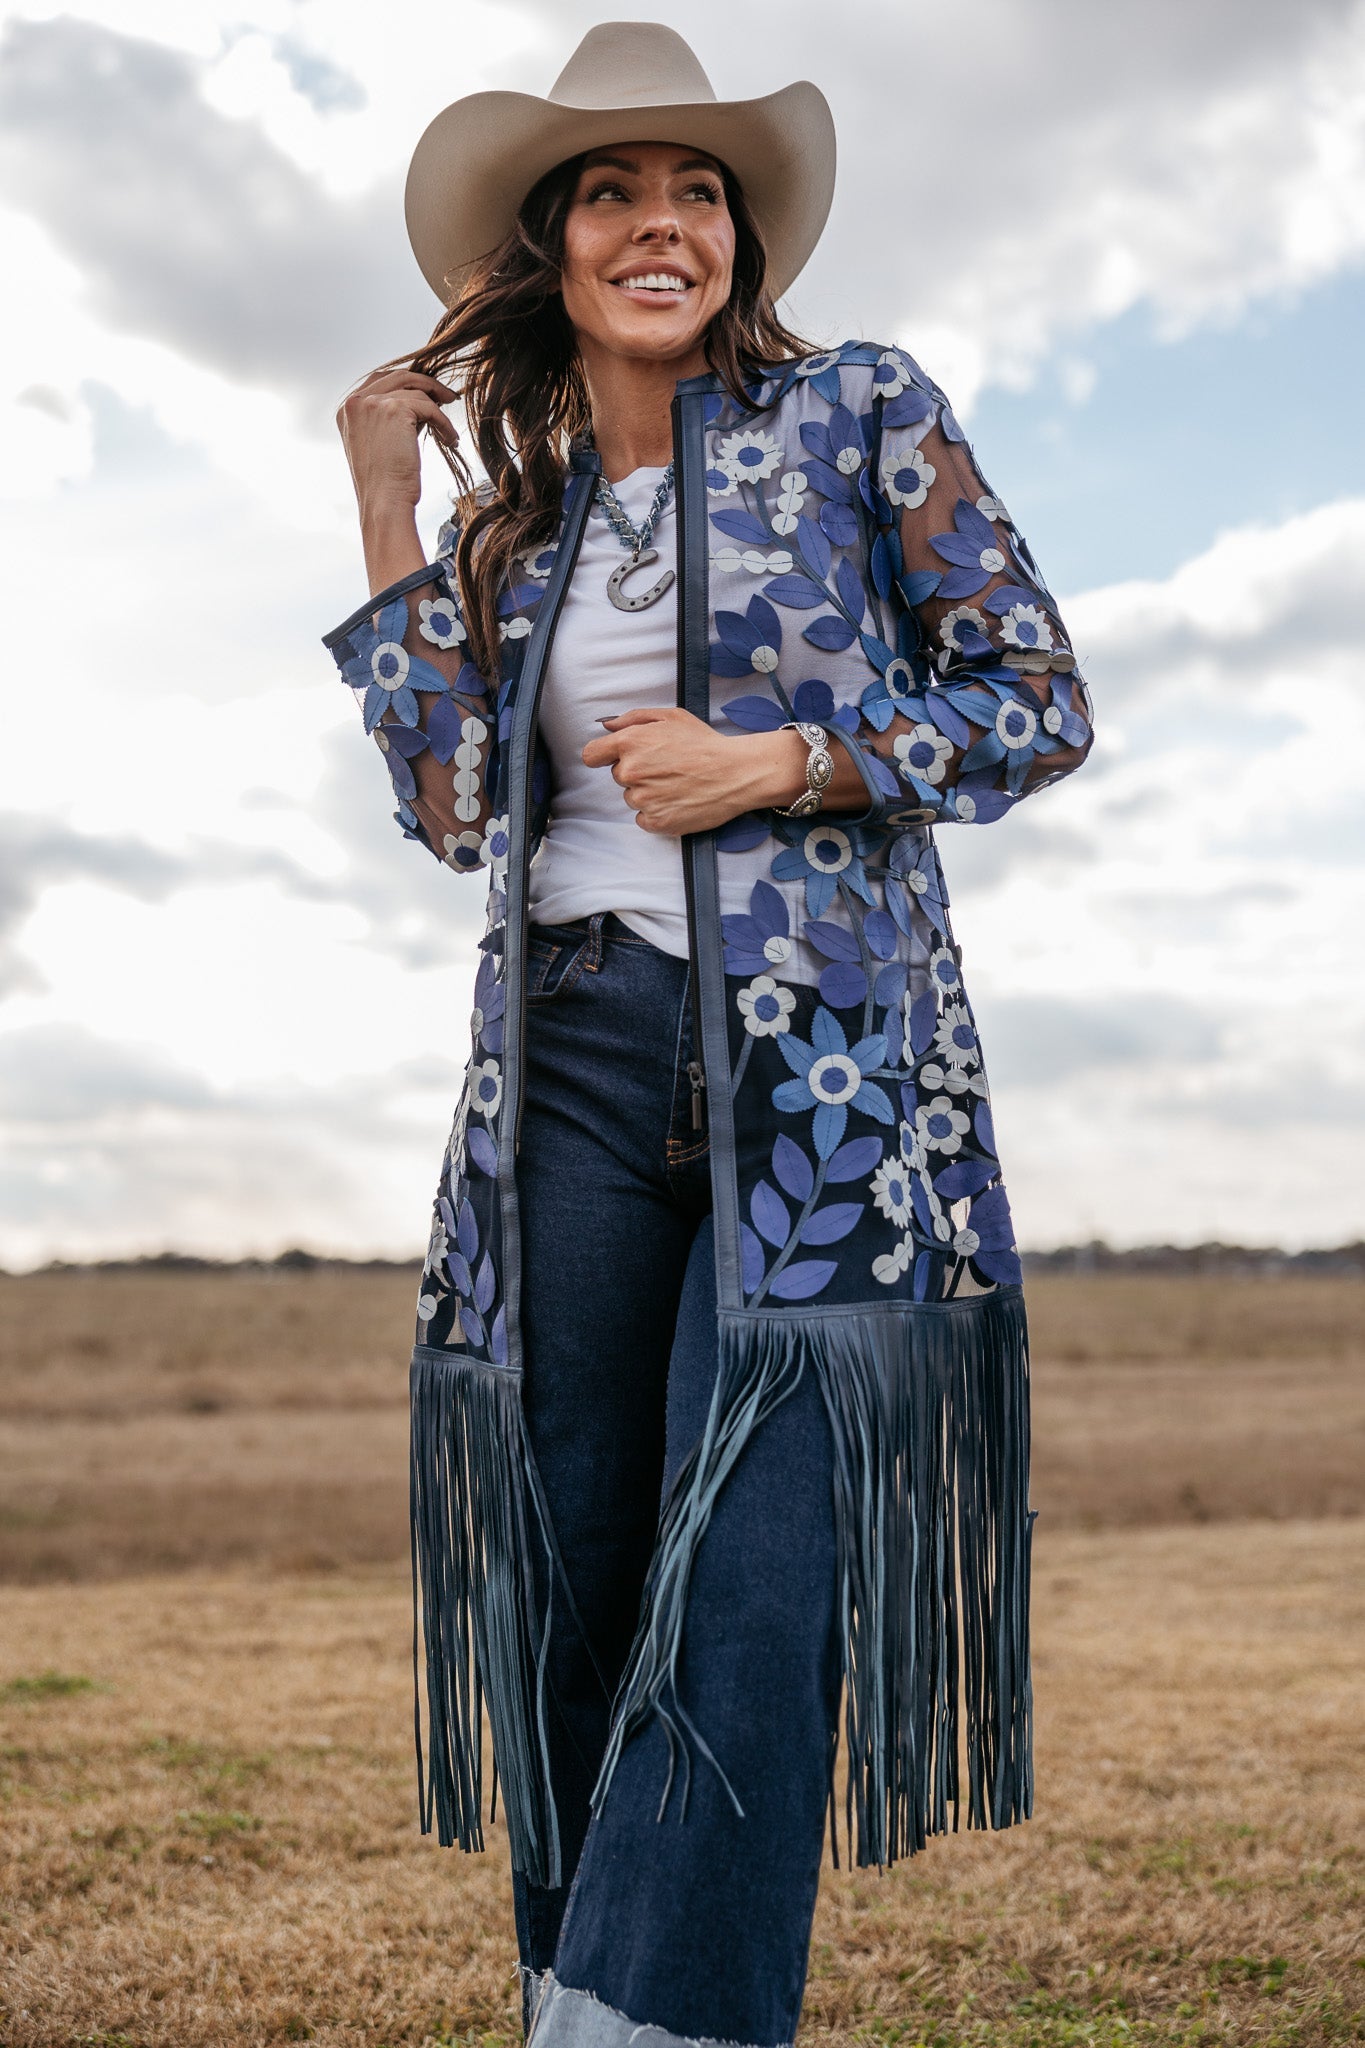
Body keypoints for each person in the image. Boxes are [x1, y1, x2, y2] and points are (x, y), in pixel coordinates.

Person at [325, 22, 1094, 2048]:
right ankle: (568, 1987)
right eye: (611, 190)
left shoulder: (860, 413)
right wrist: (385, 501)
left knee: (750, 1575)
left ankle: (631, 2029)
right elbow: (455, 813)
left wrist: (790, 761)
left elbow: (1031, 696)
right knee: (572, 1578)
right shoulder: (530, 514)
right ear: (543, 248)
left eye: (696, 193)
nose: (660, 221)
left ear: (739, 242)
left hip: (820, 1074)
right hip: (566, 1070)